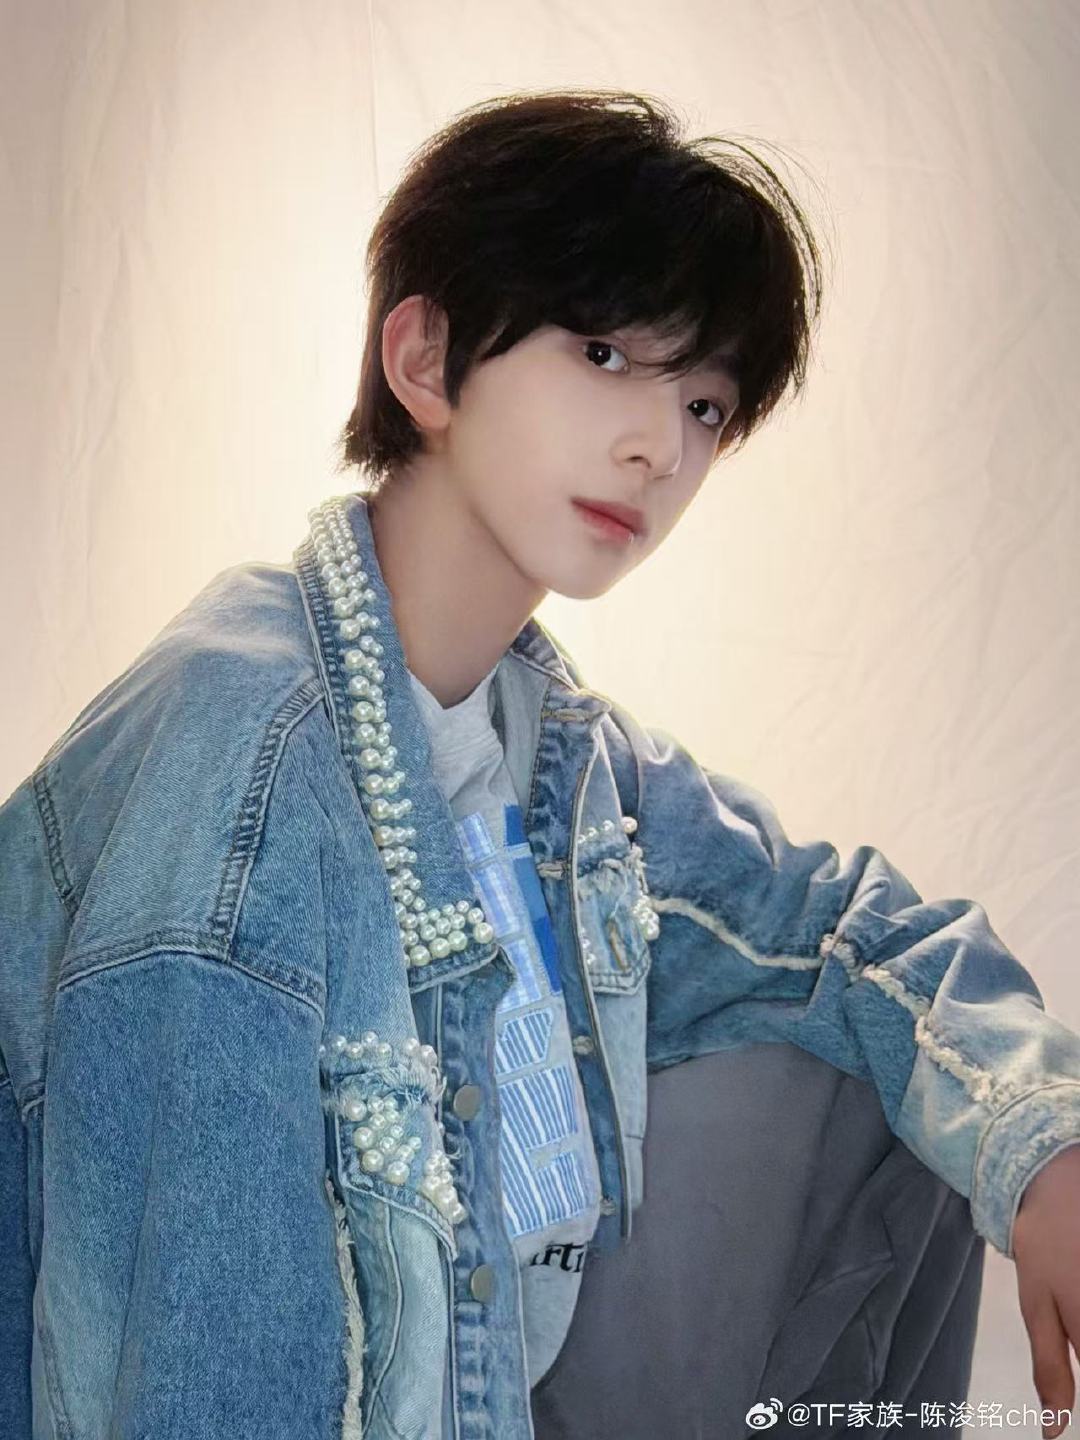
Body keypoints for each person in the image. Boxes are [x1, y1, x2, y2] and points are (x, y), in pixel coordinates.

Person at [1, 86, 1078, 1440]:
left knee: (879, 1075)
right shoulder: (238, 758)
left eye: (705, 401)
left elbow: (852, 936)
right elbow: (184, 1369)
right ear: (426, 360)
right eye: (606, 354)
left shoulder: (556, 749)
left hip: (493, 1391)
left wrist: (1048, 1151)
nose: (659, 447)